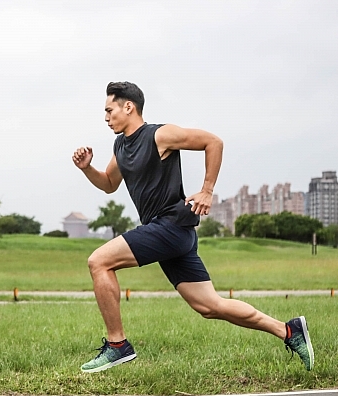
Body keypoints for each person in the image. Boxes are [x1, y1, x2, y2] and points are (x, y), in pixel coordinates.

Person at [72, 81, 314, 373]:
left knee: (98, 261)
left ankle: (117, 346)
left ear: (128, 107)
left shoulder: (160, 135)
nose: (106, 117)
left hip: (171, 225)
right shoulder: (121, 145)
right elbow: (110, 184)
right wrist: (87, 168)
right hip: (170, 234)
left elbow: (213, 142)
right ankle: (288, 331)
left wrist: (207, 190)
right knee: (210, 306)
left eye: (109, 110)